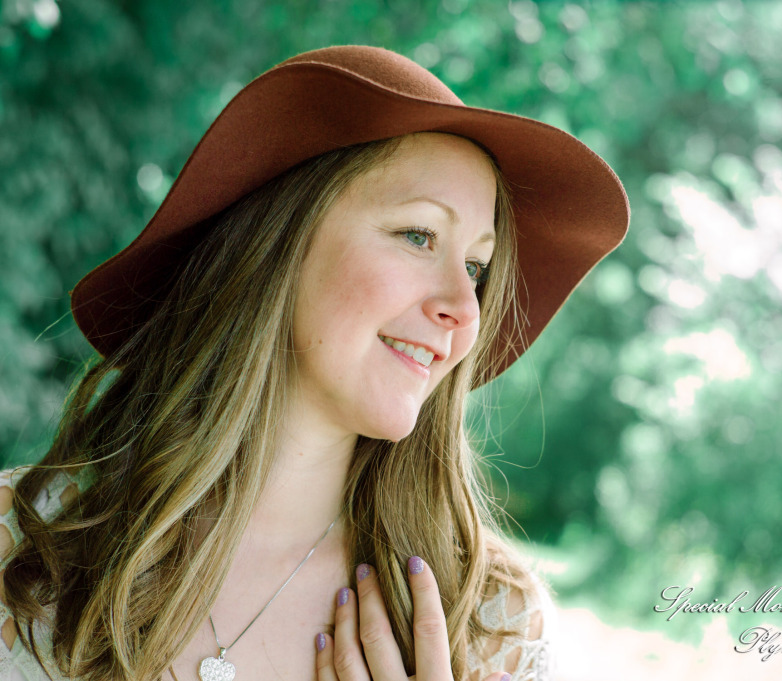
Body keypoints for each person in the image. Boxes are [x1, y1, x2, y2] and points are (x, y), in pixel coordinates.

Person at [0, 45, 628, 681]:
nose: (466, 307)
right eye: (419, 236)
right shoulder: (19, 547)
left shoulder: (495, 626)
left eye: (476, 268)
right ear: (279, 244)